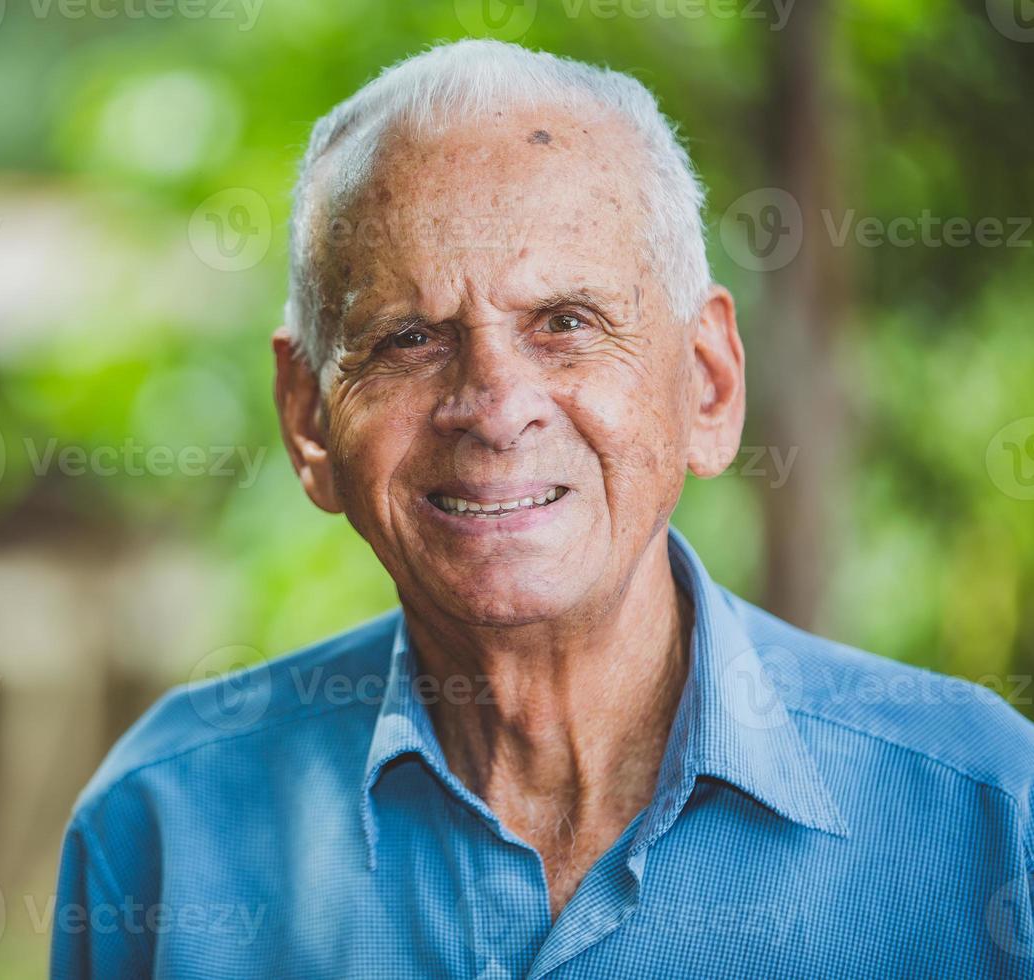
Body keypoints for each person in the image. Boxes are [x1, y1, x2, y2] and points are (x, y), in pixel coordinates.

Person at [52, 39, 1034, 978]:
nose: (492, 406)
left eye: (565, 323)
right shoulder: (167, 831)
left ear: (708, 383)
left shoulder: (989, 819)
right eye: (407, 338)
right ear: (308, 416)